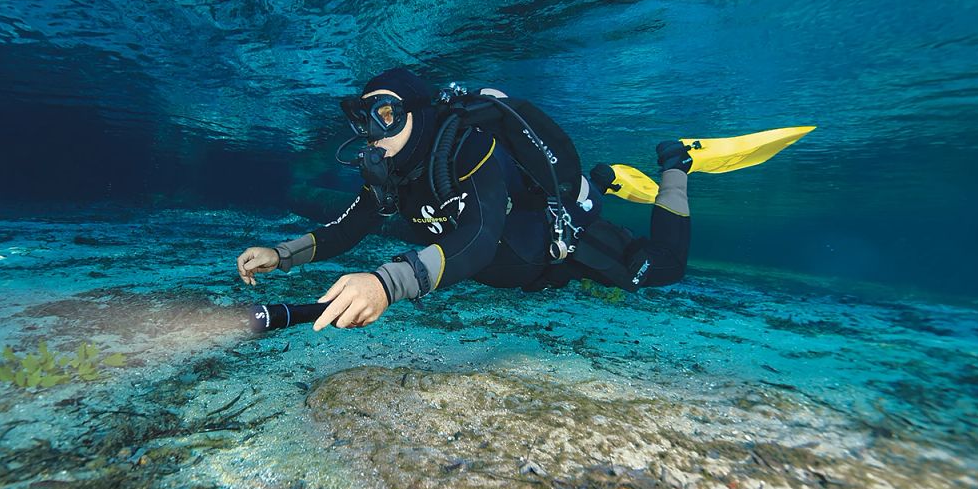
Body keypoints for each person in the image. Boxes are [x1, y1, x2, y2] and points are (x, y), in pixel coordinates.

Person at [235, 68, 692, 331]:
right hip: (523, 273)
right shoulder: (394, 172)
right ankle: (603, 178)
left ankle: (676, 165)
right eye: (366, 119)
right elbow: (349, 227)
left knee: (663, 267)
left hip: (561, 249)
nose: (375, 133)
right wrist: (282, 254)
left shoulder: (468, 149)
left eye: (388, 114)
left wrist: (387, 283)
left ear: (419, 113)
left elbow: (480, 237)